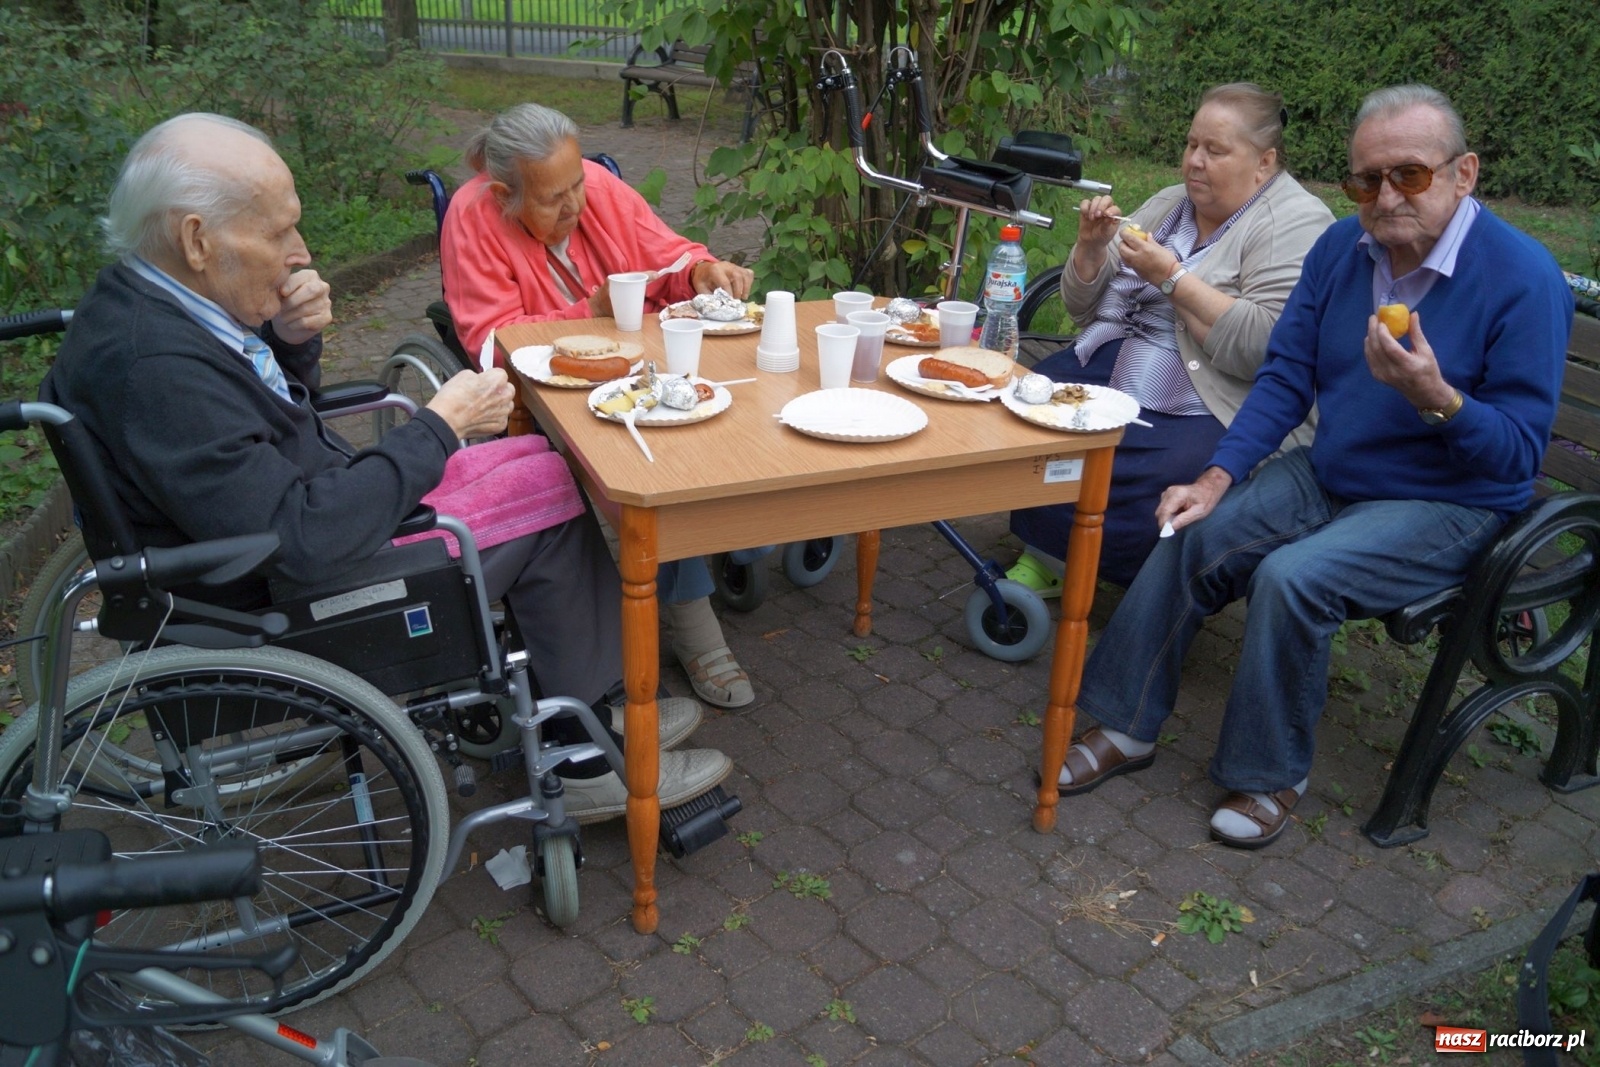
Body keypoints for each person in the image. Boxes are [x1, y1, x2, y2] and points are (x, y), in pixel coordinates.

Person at [42, 112, 733, 823]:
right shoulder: (156, 369)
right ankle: (581, 753)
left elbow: (257, 422)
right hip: (292, 588)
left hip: (291, 526)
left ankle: (578, 709)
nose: (300, 253)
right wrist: (438, 427)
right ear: (196, 240)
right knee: (553, 494)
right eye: (279, 233)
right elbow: (300, 536)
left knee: (534, 456)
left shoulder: (147, 305)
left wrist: (289, 342)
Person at [1051, 85, 1574, 849]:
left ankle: (1268, 775)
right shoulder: (1342, 250)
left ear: (1464, 174)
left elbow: (1519, 456)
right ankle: (1127, 725)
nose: (1385, 196)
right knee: (1191, 527)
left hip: (1451, 498)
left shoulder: (1523, 279)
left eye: (1410, 176)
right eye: (1366, 180)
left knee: (1295, 577)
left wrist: (1437, 399)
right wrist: (1215, 477)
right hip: (1337, 468)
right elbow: (1287, 377)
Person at [440, 101, 763, 709]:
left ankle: (689, 610)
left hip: (639, 375)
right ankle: (686, 630)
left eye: (577, 185)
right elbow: (490, 340)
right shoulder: (472, 216)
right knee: (642, 470)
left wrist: (701, 271)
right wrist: (581, 316)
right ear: (505, 194)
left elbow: (666, 256)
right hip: (544, 399)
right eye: (551, 198)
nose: (574, 207)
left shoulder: (600, 189)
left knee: (686, 445)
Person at [1005, 83, 1334, 593]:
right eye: (1191, 145)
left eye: (1215, 151)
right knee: (1035, 399)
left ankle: (1114, 572)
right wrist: (1090, 251)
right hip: (1123, 354)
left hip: (1218, 395)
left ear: (1264, 162)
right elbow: (1082, 307)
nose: (1194, 162)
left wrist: (1172, 278)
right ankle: (1048, 547)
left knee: (1136, 452)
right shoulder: (1170, 203)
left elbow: (1263, 348)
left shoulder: (1296, 222)